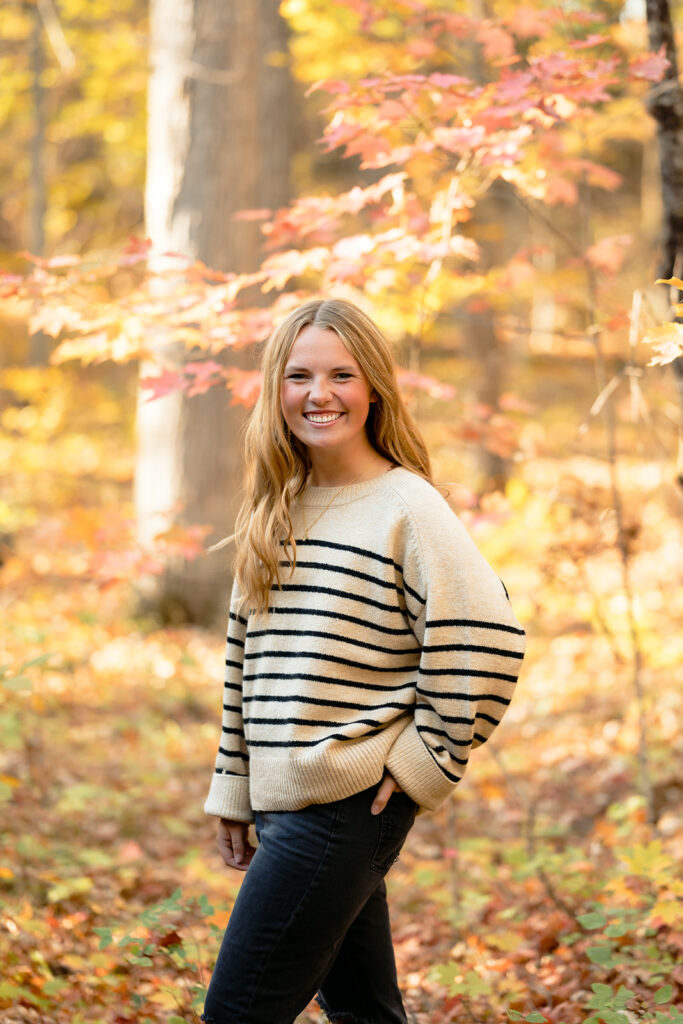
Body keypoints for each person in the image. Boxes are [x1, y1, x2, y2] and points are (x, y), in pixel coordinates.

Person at [201, 297, 526, 1024]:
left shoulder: (406, 507)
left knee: (236, 1013)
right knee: (365, 1015)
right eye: (299, 376)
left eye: (341, 375)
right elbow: (244, 661)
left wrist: (424, 759)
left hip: (347, 806)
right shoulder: (276, 505)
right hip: (283, 803)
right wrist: (233, 783)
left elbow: (489, 640)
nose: (319, 395)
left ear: (373, 387)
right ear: (274, 388)